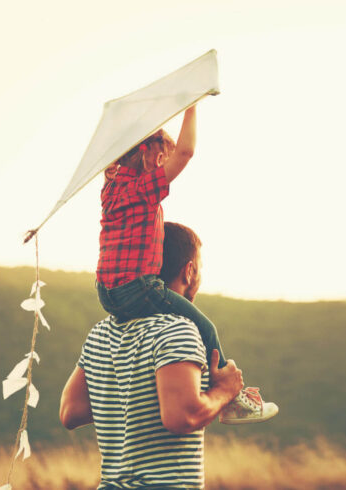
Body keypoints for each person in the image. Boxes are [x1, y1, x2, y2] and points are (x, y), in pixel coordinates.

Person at [60, 222, 278, 488]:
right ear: (189, 271)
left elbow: (71, 412)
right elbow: (181, 417)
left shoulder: (101, 333)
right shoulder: (177, 329)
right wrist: (224, 392)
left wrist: (135, 395)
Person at [96, 105, 275, 423]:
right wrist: (190, 106)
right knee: (205, 328)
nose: (167, 164)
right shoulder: (142, 189)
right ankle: (230, 397)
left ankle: (185, 381)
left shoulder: (110, 190)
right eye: (163, 158)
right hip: (137, 287)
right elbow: (187, 152)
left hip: (106, 292)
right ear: (151, 157)